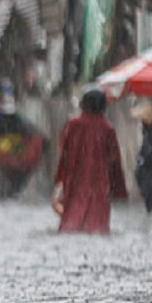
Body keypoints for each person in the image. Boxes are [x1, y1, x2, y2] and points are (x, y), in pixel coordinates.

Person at [53, 88, 128, 233]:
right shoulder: (108, 128)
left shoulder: (72, 125)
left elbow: (64, 154)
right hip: (99, 180)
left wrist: (60, 179)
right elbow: (115, 161)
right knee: (96, 222)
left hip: (75, 177)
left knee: (73, 217)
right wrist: (119, 189)